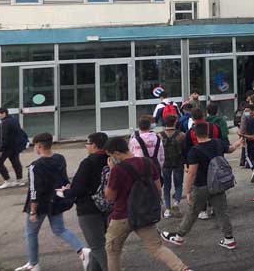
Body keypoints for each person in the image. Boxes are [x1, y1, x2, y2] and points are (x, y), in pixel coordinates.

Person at [103, 137, 191, 271]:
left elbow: (110, 197)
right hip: (144, 213)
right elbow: (158, 187)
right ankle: (182, 269)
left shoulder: (117, 170)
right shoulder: (147, 162)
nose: (110, 159)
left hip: (122, 215)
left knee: (113, 250)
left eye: (110, 155)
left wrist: (111, 171)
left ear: (116, 153)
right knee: (157, 247)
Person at [161, 122, 243, 250]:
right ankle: (229, 239)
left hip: (201, 186)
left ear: (194, 134)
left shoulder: (195, 151)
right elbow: (230, 149)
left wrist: (187, 191)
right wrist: (239, 142)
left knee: (192, 212)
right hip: (217, 183)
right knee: (222, 211)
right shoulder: (217, 143)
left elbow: (192, 173)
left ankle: (179, 236)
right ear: (208, 132)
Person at [15, 132, 90, 271]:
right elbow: (64, 180)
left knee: (31, 233)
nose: (34, 148)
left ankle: (33, 263)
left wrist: (33, 211)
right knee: (60, 229)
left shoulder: (35, 166)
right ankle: (82, 251)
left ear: (39, 146)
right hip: (56, 201)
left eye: (35, 146)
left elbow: (34, 190)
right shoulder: (59, 159)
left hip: (40, 204)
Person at [58, 132, 109, 271]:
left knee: (97, 246)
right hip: (107, 207)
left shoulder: (88, 163)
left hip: (88, 209)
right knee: (98, 243)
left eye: (87, 143)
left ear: (94, 145)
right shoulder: (111, 160)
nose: (86, 146)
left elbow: (78, 189)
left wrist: (64, 192)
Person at [159, 114, 186, 219]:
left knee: (167, 186)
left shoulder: (160, 136)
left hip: (165, 164)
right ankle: (176, 203)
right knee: (178, 184)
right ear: (175, 122)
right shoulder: (181, 135)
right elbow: (185, 149)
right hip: (178, 162)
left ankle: (167, 209)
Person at [0, 107, 25, 189]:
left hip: (6, 147)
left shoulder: (4, 123)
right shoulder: (14, 120)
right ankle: (19, 180)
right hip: (15, 146)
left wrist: (0, 149)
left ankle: (7, 180)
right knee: (15, 162)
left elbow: (4, 137)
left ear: (3, 113)